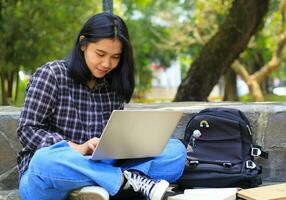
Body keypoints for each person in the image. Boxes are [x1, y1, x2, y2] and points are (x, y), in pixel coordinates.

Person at [17, 12, 186, 200]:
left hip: (101, 165)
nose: (107, 63)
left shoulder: (114, 85)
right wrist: (76, 148)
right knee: (43, 161)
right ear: (83, 44)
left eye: (115, 57)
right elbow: (27, 130)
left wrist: (129, 145)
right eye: (100, 54)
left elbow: (113, 143)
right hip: (56, 176)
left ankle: (108, 184)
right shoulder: (52, 74)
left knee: (175, 151)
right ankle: (124, 182)